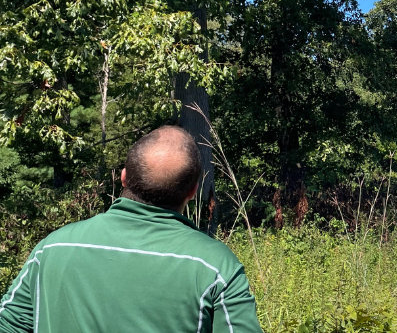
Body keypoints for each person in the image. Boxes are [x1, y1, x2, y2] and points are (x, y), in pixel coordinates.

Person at [0, 126, 264, 333]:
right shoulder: (216, 267)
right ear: (193, 191)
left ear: (124, 177)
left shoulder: (52, 249)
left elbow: (8, 324)